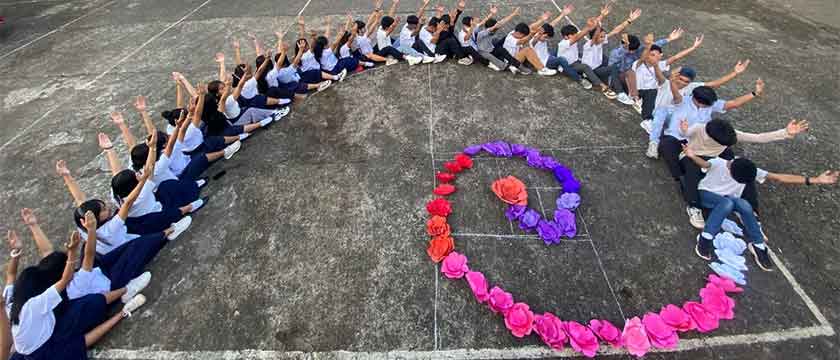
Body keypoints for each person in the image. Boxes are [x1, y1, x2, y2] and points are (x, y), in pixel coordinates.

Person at [682, 146, 838, 271]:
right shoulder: (719, 163)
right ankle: (706, 238)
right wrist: (691, 154)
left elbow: (779, 177)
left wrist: (815, 180)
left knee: (744, 204)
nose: (730, 163)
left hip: (726, 200)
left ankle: (758, 245)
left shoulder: (748, 170)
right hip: (707, 196)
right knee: (727, 203)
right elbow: (704, 163)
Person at [5, 231, 147, 360]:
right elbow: (67, 276)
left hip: (31, 349)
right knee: (77, 343)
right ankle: (124, 305)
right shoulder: (33, 305)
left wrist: (16, 252)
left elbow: (11, 275)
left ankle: (124, 297)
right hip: (44, 351)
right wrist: (72, 252)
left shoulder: (11, 303)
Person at [677, 118, 809, 229]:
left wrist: (785, 132)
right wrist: (684, 130)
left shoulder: (730, 134)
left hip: (714, 160)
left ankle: (751, 211)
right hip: (691, 155)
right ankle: (694, 206)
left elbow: (758, 138)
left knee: (744, 172)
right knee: (692, 170)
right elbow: (685, 133)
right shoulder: (699, 128)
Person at [649, 79, 765, 187]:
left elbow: (733, 103)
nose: (709, 107)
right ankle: (680, 176)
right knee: (667, 145)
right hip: (677, 137)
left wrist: (754, 93)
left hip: (699, 139)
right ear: (696, 100)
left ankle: (725, 175)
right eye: (706, 105)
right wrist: (673, 82)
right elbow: (675, 93)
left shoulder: (710, 103)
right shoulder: (682, 101)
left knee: (727, 151)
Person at [640, 60, 751, 139]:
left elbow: (714, 84)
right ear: (676, 77)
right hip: (662, 115)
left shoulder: (693, 87)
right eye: (680, 79)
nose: (682, 83)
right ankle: (654, 133)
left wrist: (735, 73)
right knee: (663, 113)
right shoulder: (665, 83)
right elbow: (659, 75)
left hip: (678, 118)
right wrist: (656, 65)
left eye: (686, 81)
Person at [627, 33, 703, 126]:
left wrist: (693, 47)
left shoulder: (660, 65)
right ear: (647, 55)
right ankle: (641, 107)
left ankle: (648, 114)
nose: (655, 57)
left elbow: (676, 57)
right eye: (652, 55)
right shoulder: (638, 64)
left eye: (658, 55)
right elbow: (643, 56)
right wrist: (649, 45)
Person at [608, 28, 682, 106]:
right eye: (631, 50)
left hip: (634, 82)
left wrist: (669, 39)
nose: (633, 52)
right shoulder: (616, 54)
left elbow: (654, 46)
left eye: (634, 50)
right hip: (618, 80)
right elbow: (613, 71)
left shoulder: (638, 49)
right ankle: (623, 94)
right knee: (628, 72)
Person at [580, 7, 642, 98]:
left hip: (599, 67)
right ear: (595, 36)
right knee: (613, 67)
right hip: (592, 72)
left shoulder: (599, 42)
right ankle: (620, 93)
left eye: (604, 36)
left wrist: (629, 20)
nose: (604, 38)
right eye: (601, 37)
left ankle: (617, 82)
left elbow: (615, 31)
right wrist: (600, 19)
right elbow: (594, 31)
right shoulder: (589, 45)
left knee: (609, 60)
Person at [550, 5, 612, 93]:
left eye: (575, 33)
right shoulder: (563, 44)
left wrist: (601, 16)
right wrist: (588, 27)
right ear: (565, 37)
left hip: (575, 62)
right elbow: (580, 35)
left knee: (585, 59)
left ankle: (590, 75)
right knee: (585, 66)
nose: (575, 35)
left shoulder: (573, 37)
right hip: (567, 67)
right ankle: (601, 85)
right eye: (573, 35)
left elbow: (590, 26)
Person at [474, 7, 519, 72]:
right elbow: (490, 29)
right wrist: (495, 26)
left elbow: (503, 21)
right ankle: (506, 67)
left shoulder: (492, 29)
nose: (495, 31)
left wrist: (514, 14)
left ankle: (514, 63)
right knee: (491, 57)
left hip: (491, 48)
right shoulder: (482, 33)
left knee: (501, 49)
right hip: (483, 52)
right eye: (494, 30)